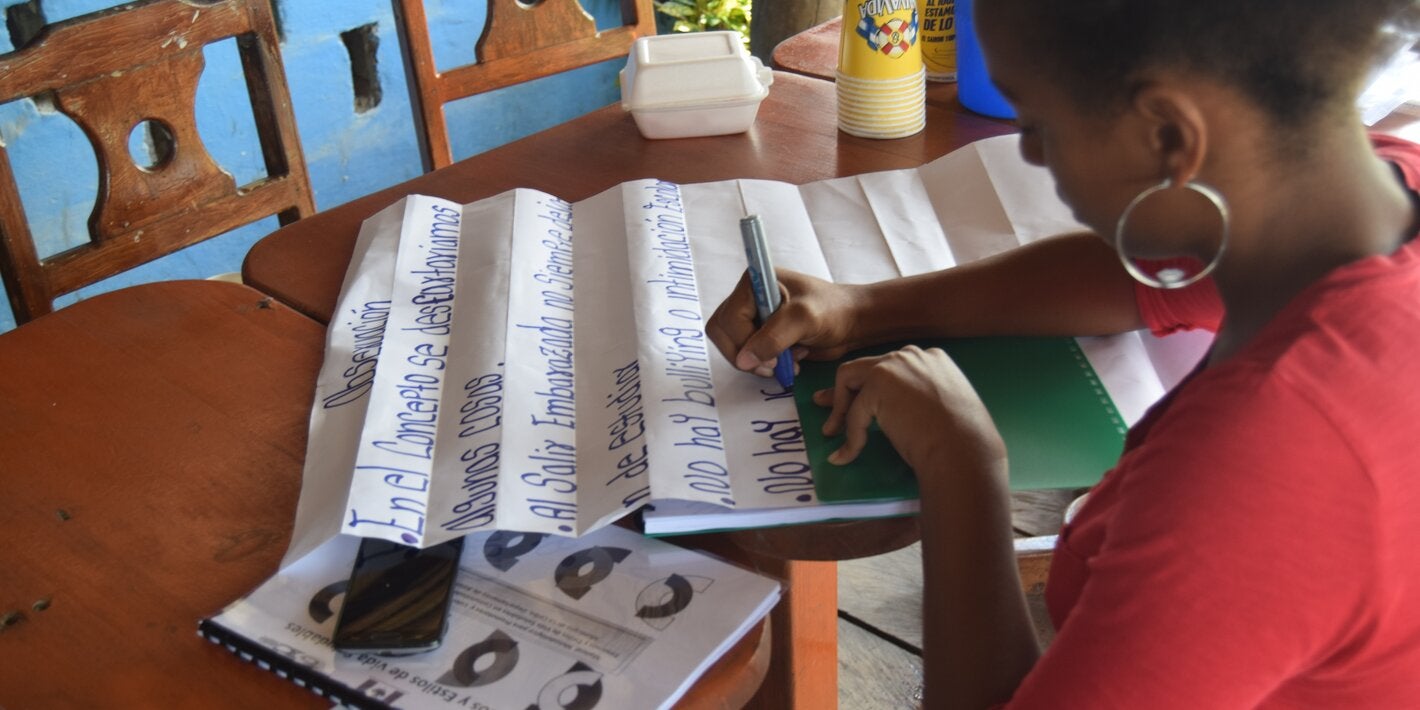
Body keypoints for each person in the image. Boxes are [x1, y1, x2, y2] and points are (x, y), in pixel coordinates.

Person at [706, 1, 1420, 707]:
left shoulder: (1273, 462)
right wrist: (866, 309)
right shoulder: (1363, 192)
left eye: (1040, 121)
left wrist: (963, 464)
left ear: (1170, 135)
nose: (1032, 154)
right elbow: (1141, 271)